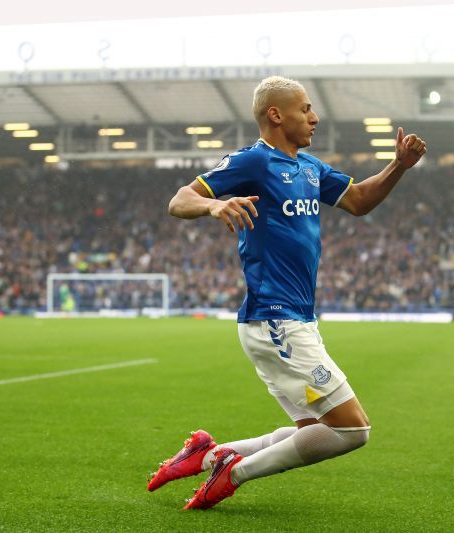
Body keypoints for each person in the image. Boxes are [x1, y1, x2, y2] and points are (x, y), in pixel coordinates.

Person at [154, 76, 427, 509]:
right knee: (352, 430)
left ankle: (205, 454)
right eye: (305, 109)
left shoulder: (311, 168)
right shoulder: (253, 162)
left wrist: (398, 166)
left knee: (314, 430)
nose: (314, 117)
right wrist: (214, 204)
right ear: (276, 115)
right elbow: (179, 199)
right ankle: (233, 471)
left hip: (295, 319)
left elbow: (357, 200)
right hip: (275, 318)